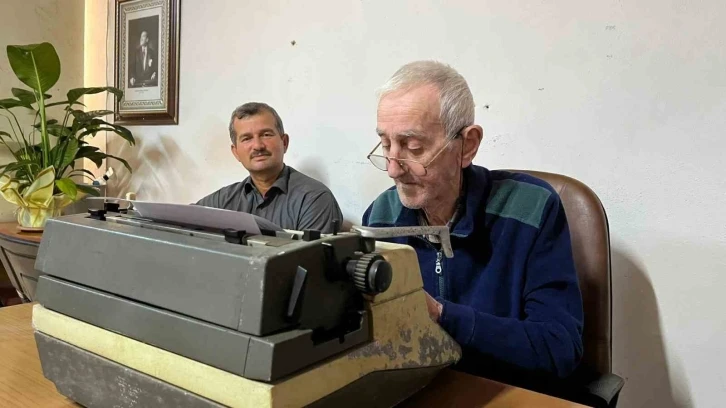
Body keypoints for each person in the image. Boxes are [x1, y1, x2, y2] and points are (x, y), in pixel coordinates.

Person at [362, 61, 584, 388]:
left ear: (468, 145)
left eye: (413, 147)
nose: (393, 169)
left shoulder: (531, 208)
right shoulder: (380, 214)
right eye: (385, 144)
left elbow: (559, 349)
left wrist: (441, 315)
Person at [196, 102, 343, 234]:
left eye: (266, 135)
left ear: (284, 142)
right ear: (236, 152)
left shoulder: (313, 198)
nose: (258, 146)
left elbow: (307, 261)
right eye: (247, 138)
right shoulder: (222, 201)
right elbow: (180, 226)